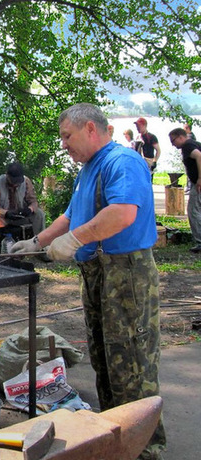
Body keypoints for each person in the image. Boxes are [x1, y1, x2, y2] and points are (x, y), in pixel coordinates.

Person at [11, 103, 165, 459]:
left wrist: (78, 240)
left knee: (131, 366)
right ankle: (113, 439)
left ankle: (145, 450)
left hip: (126, 275)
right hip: (97, 274)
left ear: (91, 129)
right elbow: (71, 214)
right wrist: (39, 241)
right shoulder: (89, 168)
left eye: (68, 136)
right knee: (106, 361)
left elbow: (123, 213)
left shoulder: (121, 162)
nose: (64, 144)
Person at [0, 162, 45, 254]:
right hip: (3, 218)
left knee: (39, 214)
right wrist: (5, 213)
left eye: (18, 182)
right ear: (7, 175)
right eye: (13, 181)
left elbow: (33, 201)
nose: (15, 185)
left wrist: (29, 209)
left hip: (20, 217)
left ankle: (41, 247)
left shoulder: (26, 181)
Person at [169, 127, 201, 253]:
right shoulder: (194, 143)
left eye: (173, 141)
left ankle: (200, 241)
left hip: (198, 184)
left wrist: (199, 178)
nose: (173, 144)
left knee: (193, 210)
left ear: (181, 137)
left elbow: (199, 156)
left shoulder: (187, 145)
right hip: (195, 183)